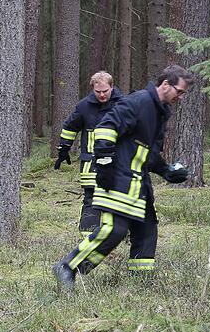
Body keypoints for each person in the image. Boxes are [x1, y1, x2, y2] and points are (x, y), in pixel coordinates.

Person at [52, 65, 194, 289]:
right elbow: (106, 127)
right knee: (114, 230)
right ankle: (68, 267)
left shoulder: (159, 112)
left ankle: (140, 283)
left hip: (139, 184)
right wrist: (106, 165)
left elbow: (148, 154)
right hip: (118, 178)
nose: (181, 97)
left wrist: (167, 171)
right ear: (165, 84)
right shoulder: (139, 101)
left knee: (147, 230)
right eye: (180, 91)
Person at [55, 71, 124, 238]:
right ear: (92, 89)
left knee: (120, 198)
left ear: (112, 87)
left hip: (118, 161)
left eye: (105, 91)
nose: (101, 95)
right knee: (91, 198)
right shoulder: (84, 106)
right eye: (97, 91)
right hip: (91, 163)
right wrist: (64, 148)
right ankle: (87, 237)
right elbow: (70, 127)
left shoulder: (123, 104)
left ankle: (122, 235)